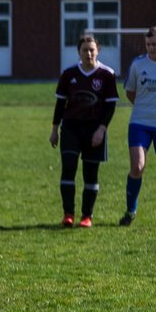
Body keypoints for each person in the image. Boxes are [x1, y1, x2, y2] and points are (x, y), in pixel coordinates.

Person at [49, 33, 118, 227]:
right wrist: (55, 130)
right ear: (78, 52)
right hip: (71, 128)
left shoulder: (107, 74)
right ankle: (68, 214)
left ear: (98, 51)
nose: (88, 53)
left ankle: (87, 216)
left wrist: (102, 129)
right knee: (68, 168)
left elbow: (110, 106)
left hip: (95, 130)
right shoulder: (68, 74)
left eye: (92, 50)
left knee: (90, 173)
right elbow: (60, 104)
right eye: (84, 50)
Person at [119, 26, 156, 227]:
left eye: (155, 44)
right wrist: (145, 108)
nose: (151, 48)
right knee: (137, 166)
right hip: (140, 122)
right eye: (148, 45)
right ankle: (130, 211)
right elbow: (130, 92)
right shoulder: (138, 64)